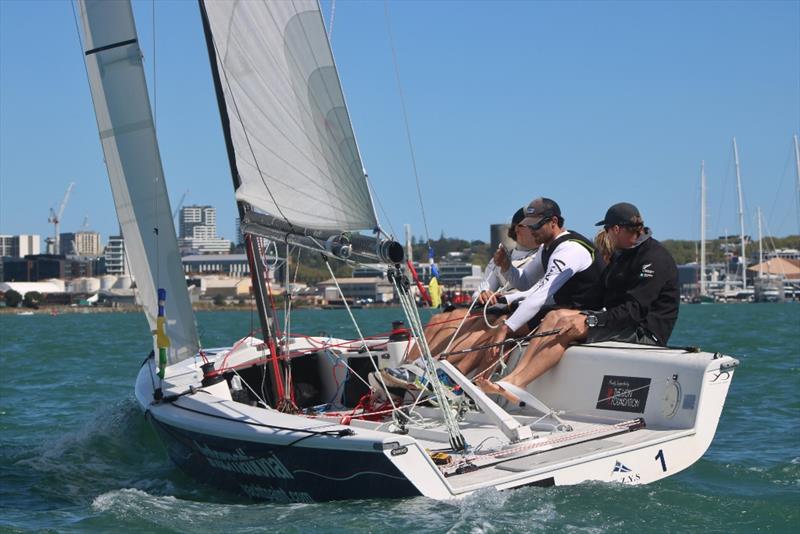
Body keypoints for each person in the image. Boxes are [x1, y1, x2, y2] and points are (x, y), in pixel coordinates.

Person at [478, 202, 679, 405]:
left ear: (616, 229)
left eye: (606, 230)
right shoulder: (624, 254)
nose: (605, 235)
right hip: (620, 320)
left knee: (566, 328)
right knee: (554, 316)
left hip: (643, 331)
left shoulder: (653, 258)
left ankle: (518, 381)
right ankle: (514, 380)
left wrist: (591, 319)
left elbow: (634, 311)